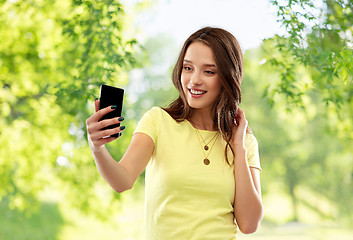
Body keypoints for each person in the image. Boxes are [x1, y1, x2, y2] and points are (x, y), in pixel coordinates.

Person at [86, 26, 263, 240]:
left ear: (228, 76)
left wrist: (238, 148)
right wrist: (97, 147)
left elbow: (249, 223)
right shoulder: (158, 121)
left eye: (208, 71)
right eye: (188, 68)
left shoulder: (243, 141)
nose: (194, 80)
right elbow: (122, 181)